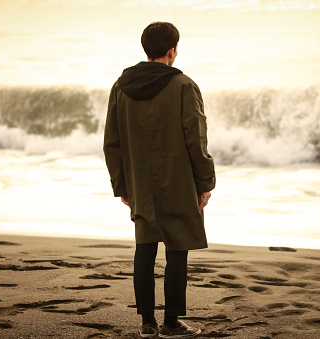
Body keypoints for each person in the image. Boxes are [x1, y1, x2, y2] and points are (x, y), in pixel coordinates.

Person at [103, 22, 216, 338]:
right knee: (177, 248)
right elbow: (195, 137)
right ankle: (171, 323)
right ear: (172, 51)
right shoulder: (183, 85)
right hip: (178, 181)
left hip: (140, 182)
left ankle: (147, 324)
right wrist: (205, 181)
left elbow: (111, 141)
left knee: (145, 248)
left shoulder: (120, 86)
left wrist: (122, 185)